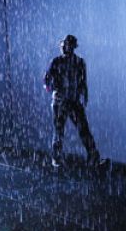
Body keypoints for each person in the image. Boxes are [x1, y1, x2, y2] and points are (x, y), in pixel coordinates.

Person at [43, 34, 106, 168]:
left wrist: (84, 97)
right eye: (64, 45)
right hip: (61, 101)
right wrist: (53, 87)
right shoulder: (57, 62)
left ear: (71, 47)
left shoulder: (79, 62)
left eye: (66, 45)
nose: (64, 48)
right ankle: (57, 158)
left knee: (82, 129)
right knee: (59, 131)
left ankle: (93, 157)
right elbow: (47, 80)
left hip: (73, 101)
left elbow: (83, 83)